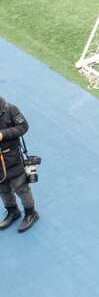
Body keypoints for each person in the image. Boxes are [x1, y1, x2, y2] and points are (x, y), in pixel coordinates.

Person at [0, 95, 38, 233]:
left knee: (20, 187)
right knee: (2, 187)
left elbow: (23, 127)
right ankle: (12, 211)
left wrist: (2, 134)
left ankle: (31, 213)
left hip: (12, 157)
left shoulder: (11, 109)